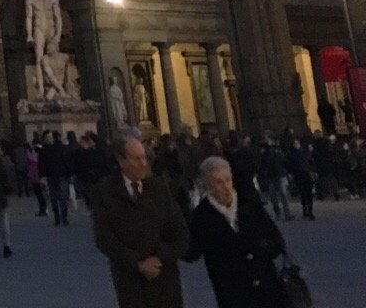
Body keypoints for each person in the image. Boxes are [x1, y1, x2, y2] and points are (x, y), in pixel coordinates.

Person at [89, 131, 189, 308]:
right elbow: (104, 238)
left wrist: (160, 257)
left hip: (165, 278)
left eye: (144, 157)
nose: (143, 164)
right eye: (136, 159)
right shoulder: (104, 192)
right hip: (131, 282)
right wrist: (137, 263)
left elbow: (179, 230)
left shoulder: (159, 187)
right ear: (121, 161)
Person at [183, 156, 288, 308]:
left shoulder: (249, 204)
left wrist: (262, 247)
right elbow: (191, 252)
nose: (225, 186)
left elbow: (277, 241)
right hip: (233, 295)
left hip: (268, 290)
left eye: (228, 180)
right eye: (218, 182)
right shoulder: (202, 216)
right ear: (208, 186)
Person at [40, 132, 73, 226]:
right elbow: (42, 164)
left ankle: (61, 218)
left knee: (58, 198)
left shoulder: (53, 149)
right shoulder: (47, 150)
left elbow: (42, 164)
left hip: (57, 175)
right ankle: (60, 217)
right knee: (58, 198)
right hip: (56, 176)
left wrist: (42, 175)